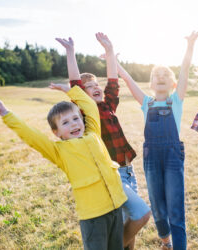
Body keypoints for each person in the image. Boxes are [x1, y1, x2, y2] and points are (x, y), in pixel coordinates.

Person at [0, 82, 127, 249]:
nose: (74, 124)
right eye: (66, 123)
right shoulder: (59, 151)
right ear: (56, 132)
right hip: (93, 215)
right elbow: (32, 136)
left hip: (116, 207)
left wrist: (69, 91)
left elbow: (90, 106)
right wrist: (5, 113)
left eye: (76, 118)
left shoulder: (93, 133)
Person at [55, 33, 151, 250]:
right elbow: (75, 84)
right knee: (141, 215)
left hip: (129, 171)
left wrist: (109, 53)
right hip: (113, 174)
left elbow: (114, 81)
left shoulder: (109, 105)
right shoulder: (86, 116)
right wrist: (71, 52)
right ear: (82, 94)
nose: (96, 87)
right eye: (89, 86)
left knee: (129, 223)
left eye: (96, 84)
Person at [116, 31, 198, 250]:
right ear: (151, 84)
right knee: (157, 206)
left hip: (173, 157)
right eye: (157, 74)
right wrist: (112, 59)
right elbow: (127, 78)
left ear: (173, 85)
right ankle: (165, 240)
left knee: (175, 208)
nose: (162, 76)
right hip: (152, 158)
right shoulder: (146, 103)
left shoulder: (177, 101)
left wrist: (190, 45)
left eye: (166, 74)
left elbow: (184, 72)